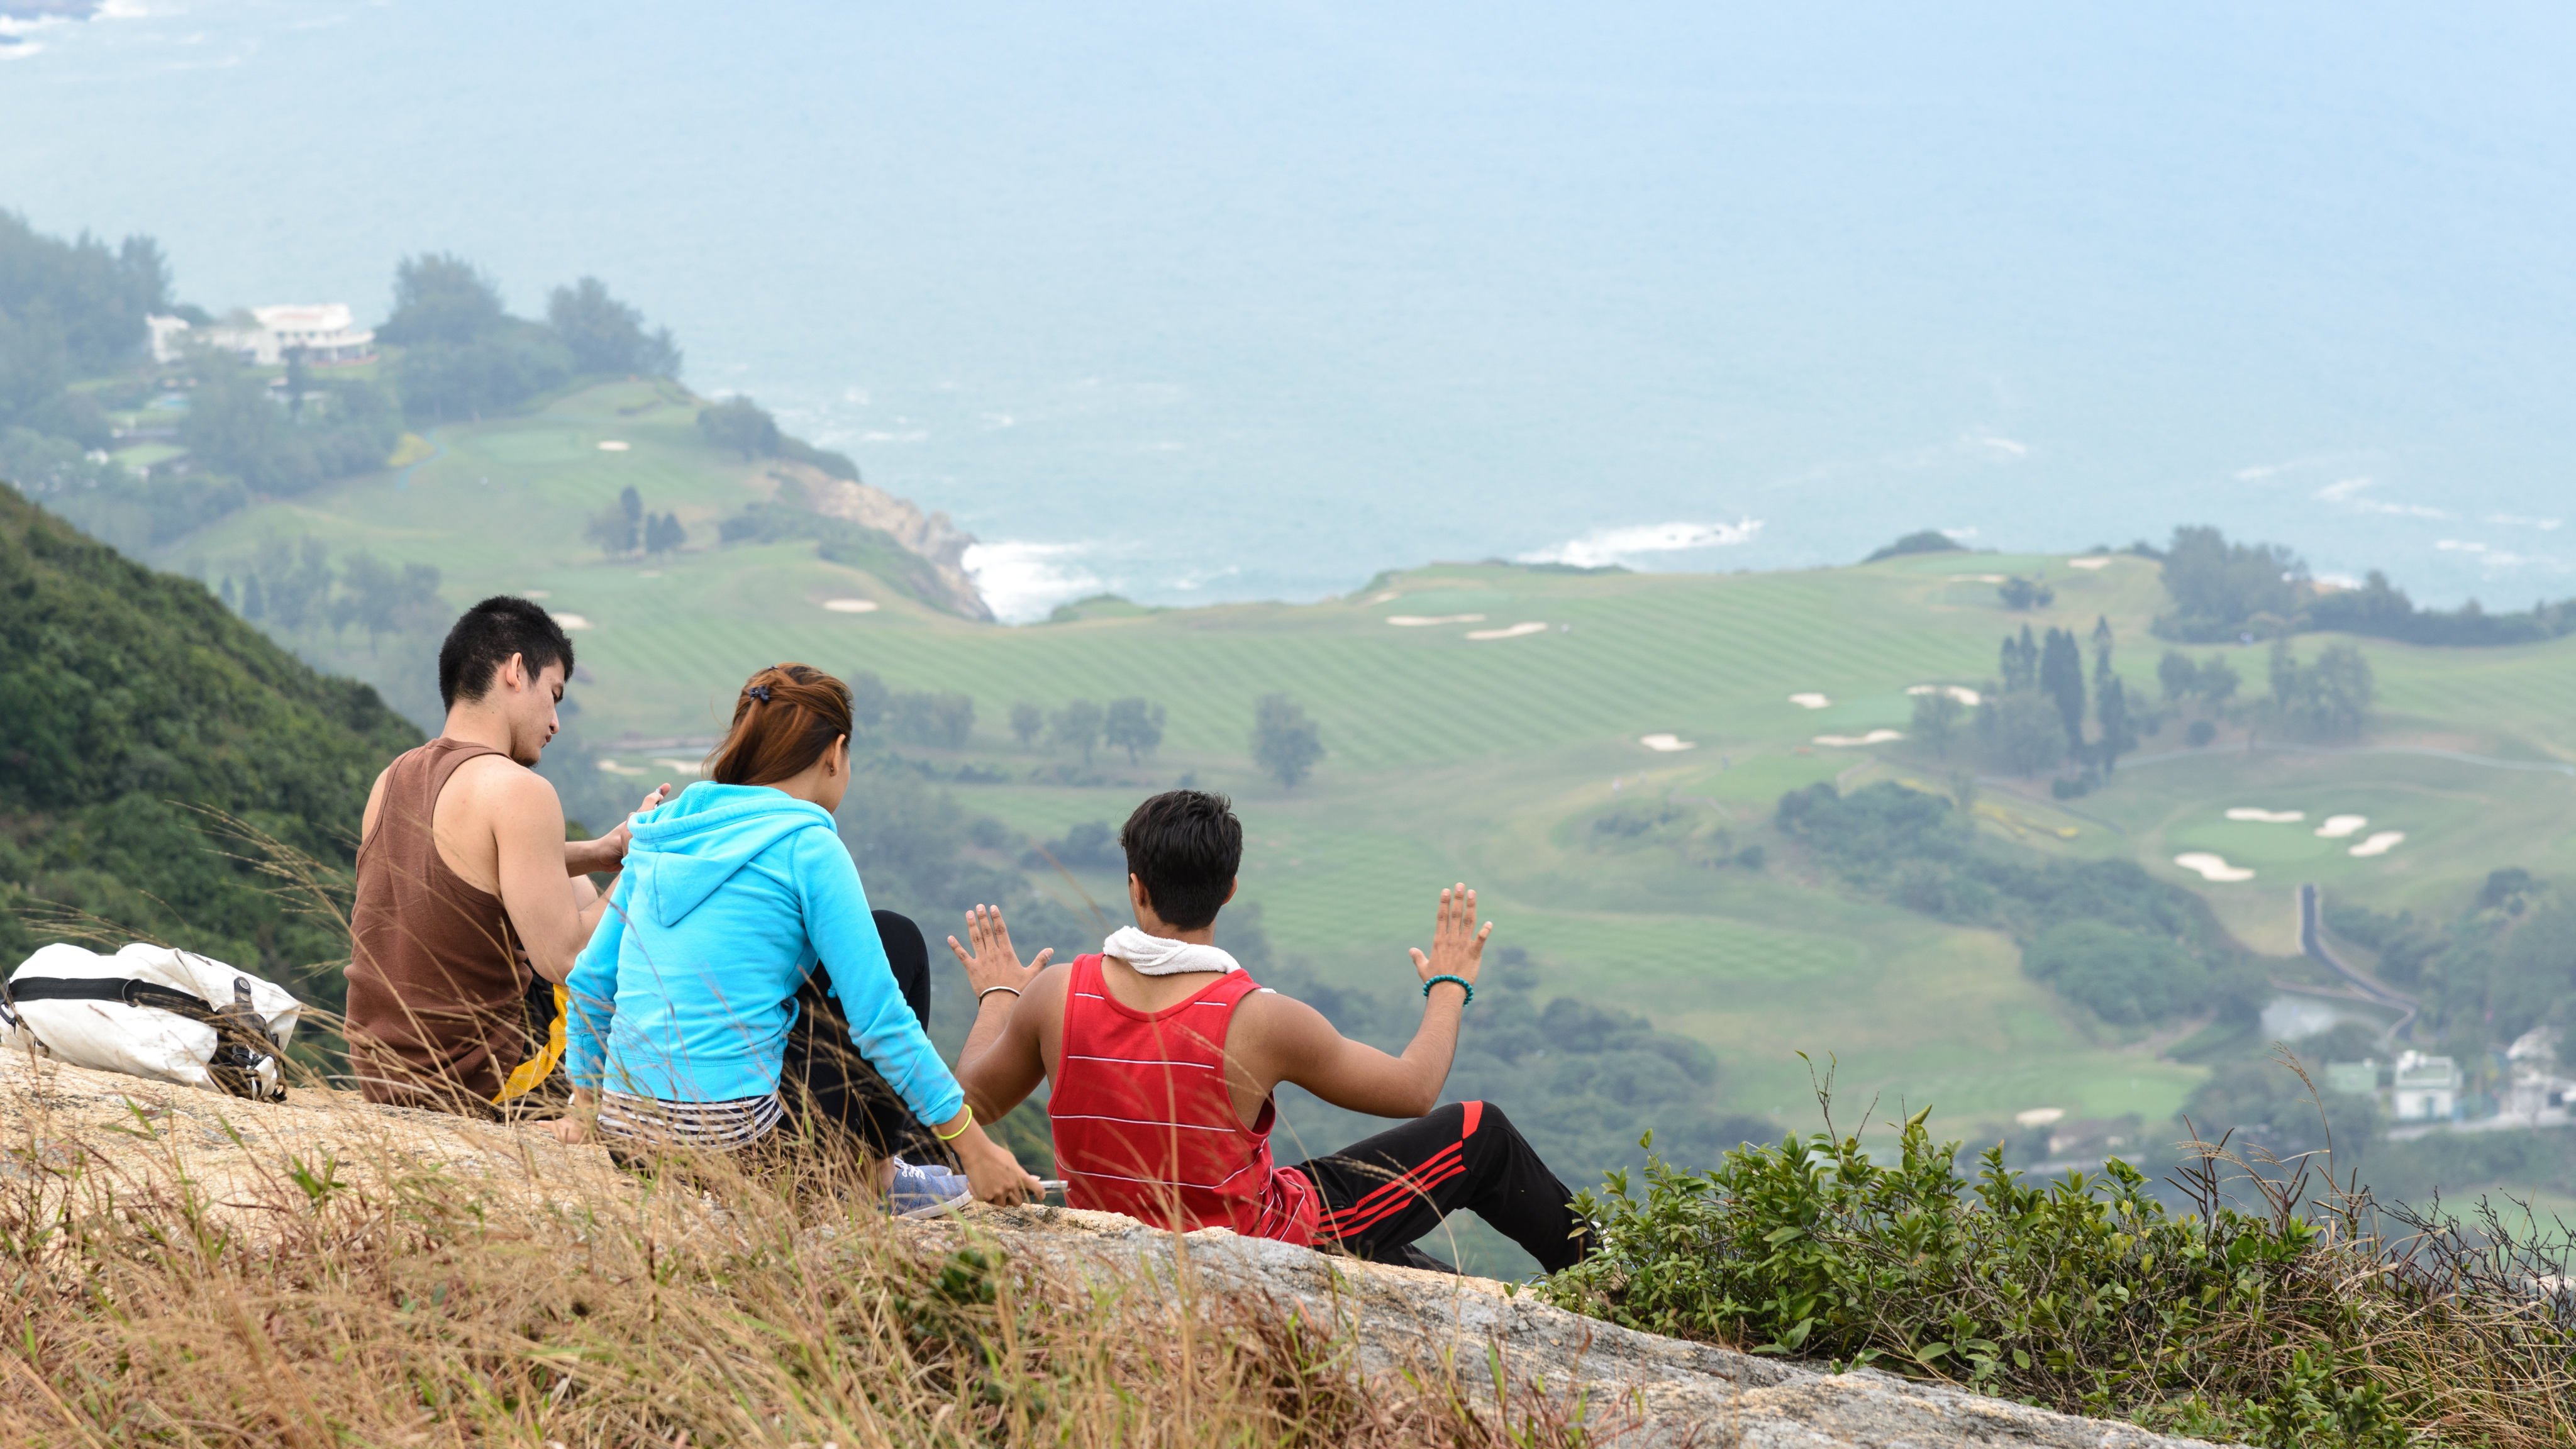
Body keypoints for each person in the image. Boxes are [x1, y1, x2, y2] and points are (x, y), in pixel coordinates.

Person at [948, 789, 1596, 1273]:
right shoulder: (1259, 1017)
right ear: (1229, 890)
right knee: (1480, 1135)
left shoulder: (1057, 992)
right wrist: (1449, 985)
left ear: (1135, 888)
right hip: (1254, 1242)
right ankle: (1626, 1287)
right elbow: (1414, 1089)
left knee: (1411, 1268)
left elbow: (971, 1102)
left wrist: (1001, 995)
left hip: (1113, 1241)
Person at [553, 663, 1037, 1206]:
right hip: (737, 1148)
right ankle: (874, 1182)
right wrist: (973, 1149)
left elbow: (592, 981)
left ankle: (872, 1173)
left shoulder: (660, 833)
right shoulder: (807, 845)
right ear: (835, 752)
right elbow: (880, 1021)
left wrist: (585, 1105)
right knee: (895, 940)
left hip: (630, 1137)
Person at [347, 596, 666, 1115]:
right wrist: (645, 862)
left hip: (382, 1073)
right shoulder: (520, 790)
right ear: (517, 670)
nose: (556, 722)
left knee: (574, 883)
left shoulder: (394, 777)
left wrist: (601, 852)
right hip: (478, 1080)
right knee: (604, 928)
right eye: (555, 695)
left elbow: (471, 863)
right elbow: (568, 962)